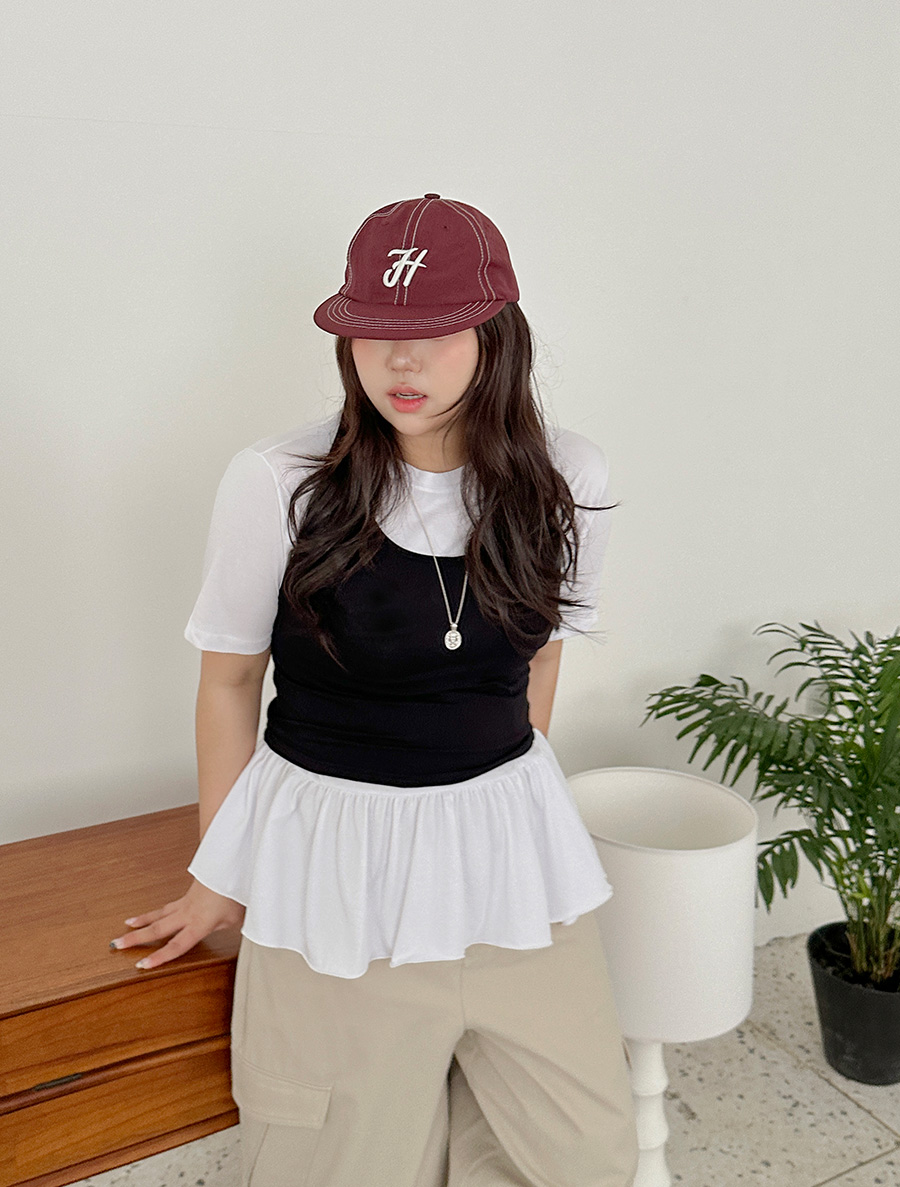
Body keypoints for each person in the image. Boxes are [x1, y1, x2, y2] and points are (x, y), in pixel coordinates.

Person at [112, 195, 639, 1187]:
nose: (401, 361)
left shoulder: (569, 476)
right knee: (338, 1160)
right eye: (374, 331)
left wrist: (496, 794)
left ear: (495, 332)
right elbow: (230, 678)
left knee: (583, 1156)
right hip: (333, 864)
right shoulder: (282, 480)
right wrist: (222, 870)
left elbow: (541, 658)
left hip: (510, 863)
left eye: (436, 332)